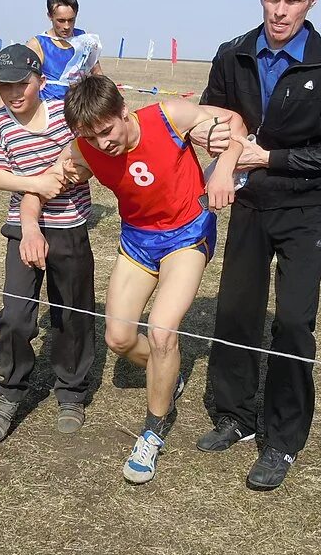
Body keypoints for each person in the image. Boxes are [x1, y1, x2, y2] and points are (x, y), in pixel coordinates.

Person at [196, 0, 321, 491]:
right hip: (247, 206)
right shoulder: (233, 54)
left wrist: (269, 158)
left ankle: (283, 439)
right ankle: (235, 415)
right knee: (236, 312)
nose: (280, 11)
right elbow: (210, 117)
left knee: (292, 322)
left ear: (312, 1)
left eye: (293, 0)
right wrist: (218, 147)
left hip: (304, 209)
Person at [59, 73, 246, 484]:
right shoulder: (85, 149)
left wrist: (224, 165)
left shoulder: (170, 116)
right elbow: (67, 171)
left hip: (187, 233)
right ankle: (169, 372)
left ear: (123, 110)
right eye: (90, 136)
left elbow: (234, 123)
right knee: (119, 339)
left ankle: (152, 431)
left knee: (162, 331)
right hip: (137, 239)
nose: (102, 142)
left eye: (107, 130)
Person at [0, 44, 96, 443]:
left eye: (21, 84)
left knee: (73, 313)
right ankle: (10, 392)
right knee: (15, 314)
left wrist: (62, 175)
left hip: (70, 226)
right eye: (3, 86)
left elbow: (83, 162)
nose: (13, 94)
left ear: (40, 81)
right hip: (21, 228)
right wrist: (35, 194)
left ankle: (72, 392)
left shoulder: (66, 113)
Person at [26, 0, 102, 101]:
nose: (67, 26)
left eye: (71, 20)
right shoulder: (37, 44)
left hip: (78, 106)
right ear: (50, 16)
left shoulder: (83, 39)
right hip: (49, 107)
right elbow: (23, 81)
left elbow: (97, 72)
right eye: (61, 21)